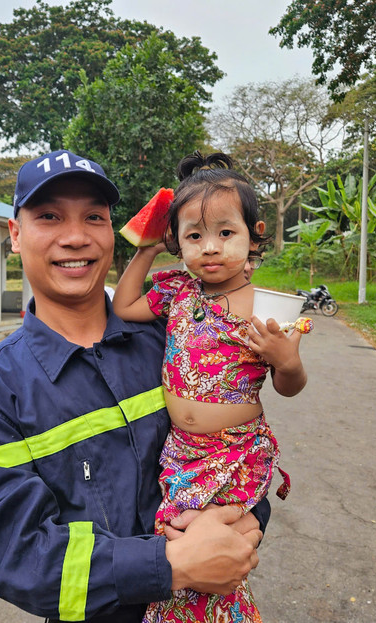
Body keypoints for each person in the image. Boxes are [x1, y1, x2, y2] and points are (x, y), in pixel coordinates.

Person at [0, 149, 270, 623]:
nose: (76, 237)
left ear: (111, 231)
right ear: (15, 234)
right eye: (49, 216)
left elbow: (237, 443)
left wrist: (249, 521)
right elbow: (12, 555)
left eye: (94, 217)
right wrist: (171, 565)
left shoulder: (173, 335)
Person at [112, 152, 307, 623]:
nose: (211, 248)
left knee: (207, 546)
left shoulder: (266, 307)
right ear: (176, 242)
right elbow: (124, 306)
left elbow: (290, 387)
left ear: (254, 235)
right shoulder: (178, 290)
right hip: (182, 452)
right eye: (194, 236)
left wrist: (287, 361)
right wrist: (145, 249)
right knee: (182, 544)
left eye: (225, 232)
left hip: (235, 452)